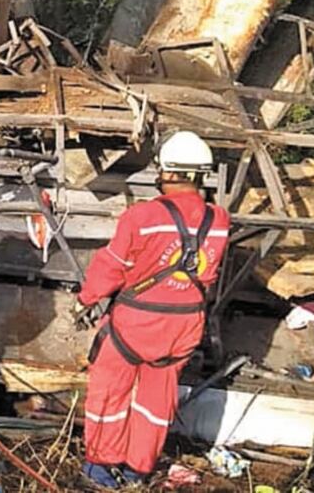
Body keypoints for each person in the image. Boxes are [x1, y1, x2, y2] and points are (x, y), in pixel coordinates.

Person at [75, 131, 230, 487]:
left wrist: (84, 299)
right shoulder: (218, 221)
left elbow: (111, 266)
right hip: (184, 326)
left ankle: (101, 469)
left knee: (109, 392)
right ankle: (138, 470)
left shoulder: (141, 216)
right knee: (156, 401)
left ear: (171, 173)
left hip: (135, 323)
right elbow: (209, 273)